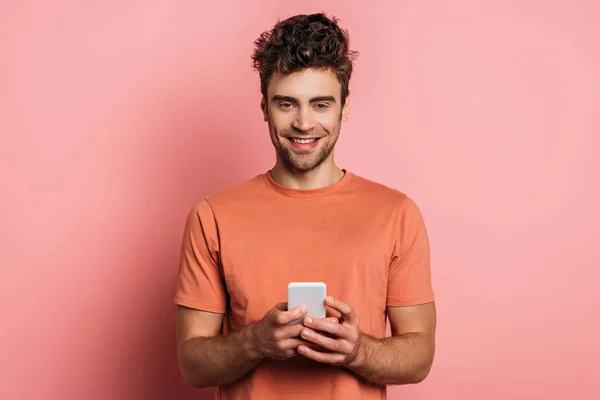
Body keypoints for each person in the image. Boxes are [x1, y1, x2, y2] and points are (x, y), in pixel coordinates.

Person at [174, 12, 436, 400]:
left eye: (320, 104)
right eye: (286, 104)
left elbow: (420, 357)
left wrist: (357, 349)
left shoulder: (396, 214)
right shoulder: (212, 216)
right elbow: (193, 365)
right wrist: (256, 342)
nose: (303, 123)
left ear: (343, 108)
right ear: (264, 108)